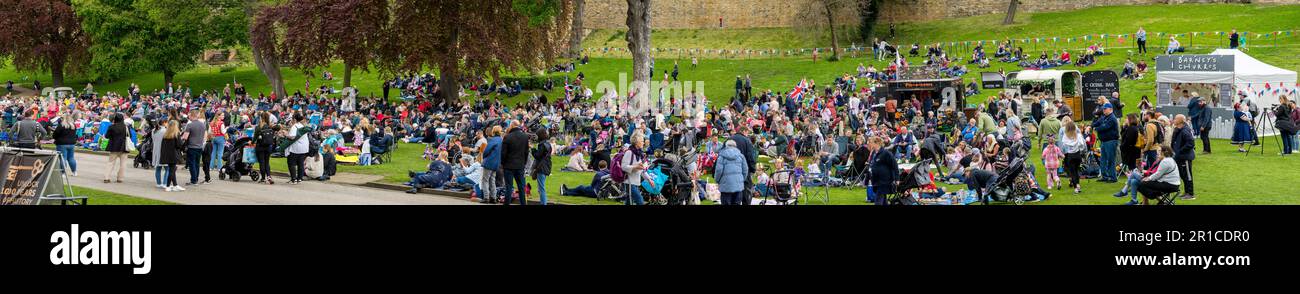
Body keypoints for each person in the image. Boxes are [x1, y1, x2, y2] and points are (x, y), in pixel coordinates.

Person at [500, 121, 531, 205]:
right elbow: (526, 152)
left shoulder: (507, 137)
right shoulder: (525, 137)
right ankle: (523, 203)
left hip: (509, 165)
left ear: (512, 125)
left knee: (509, 187)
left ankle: (506, 203)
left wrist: (503, 163)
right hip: (520, 165)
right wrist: (523, 163)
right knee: (521, 187)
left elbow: (503, 153)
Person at [1090, 102, 1119, 182]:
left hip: (1111, 141)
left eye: (1105, 109)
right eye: (1103, 109)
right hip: (1104, 141)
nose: (1104, 110)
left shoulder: (1112, 118)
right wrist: (1091, 126)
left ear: (1111, 109)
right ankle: (1104, 176)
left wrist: (1096, 129)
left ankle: (1113, 177)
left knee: (1110, 160)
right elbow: (1097, 123)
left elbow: (1105, 127)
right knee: (1103, 159)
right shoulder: (1104, 117)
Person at [865, 136, 898, 205]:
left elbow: (894, 165)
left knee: (878, 200)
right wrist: (867, 180)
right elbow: (871, 166)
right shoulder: (873, 153)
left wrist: (897, 179)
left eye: (870, 142)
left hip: (884, 181)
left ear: (877, 143)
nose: (869, 144)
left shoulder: (886, 153)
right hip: (876, 180)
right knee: (883, 201)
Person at [1171, 115, 1197, 200]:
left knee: (1187, 175)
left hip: (1185, 157)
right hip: (1180, 157)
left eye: (1175, 119)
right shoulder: (1179, 129)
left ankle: (1190, 194)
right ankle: (1186, 192)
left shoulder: (1185, 130)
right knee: (1183, 175)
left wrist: (1180, 151)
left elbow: (1191, 143)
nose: (1174, 120)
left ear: (1180, 120)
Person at [714, 140, 747, 205]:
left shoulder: (721, 157)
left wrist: (717, 180)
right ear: (735, 146)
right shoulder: (741, 156)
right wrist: (742, 179)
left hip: (725, 184)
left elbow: (718, 170)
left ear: (726, 146)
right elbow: (745, 170)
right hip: (738, 184)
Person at [621, 133, 650, 205]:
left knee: (628, 202)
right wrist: (635, 167)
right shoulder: (629, 152)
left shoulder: (639, 154)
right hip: (629, 183)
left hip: (635, 183)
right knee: (640, 202)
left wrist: (649, 180)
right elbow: (623, 167)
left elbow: (642, 170)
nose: (643, 143)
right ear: (636, 142)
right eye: (642, 141)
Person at [1059, 117, 1087, 194]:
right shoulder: (1078, 135)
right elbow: (1082, 144)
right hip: (1078, 155)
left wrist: (1065, 151)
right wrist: (1080, 149)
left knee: (1072, 172)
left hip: (1070, 155)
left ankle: (1076, 187)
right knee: (1077, 170)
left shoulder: (1065, 136)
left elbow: (1063, 145)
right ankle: (1078, 184)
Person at [478, 126, 503, 203]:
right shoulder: (501, 140)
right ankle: (493, 198)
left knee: (485, 180)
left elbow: (486, 151)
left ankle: (486, 198)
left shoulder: (493, 140)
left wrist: (484, 157)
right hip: (496, 163)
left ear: (493, 131)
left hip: (489, 162)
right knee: (492, 180)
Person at [182, 110, 208, 185]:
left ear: (192, 115)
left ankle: (193, 180)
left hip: (192, 146)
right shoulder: (203, 125)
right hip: (199, 146)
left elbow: (185, 137)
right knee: (196, 163)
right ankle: (195, 178)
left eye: (189, 115)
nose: (188, 117)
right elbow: (205, 136)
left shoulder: (190, 125)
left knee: (191, 164)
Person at [102, 113, 129, 183]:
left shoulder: (111, 127)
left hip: (113, 147)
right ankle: (120, 178)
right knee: (123, 164)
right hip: (123, 147)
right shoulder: (126, 127)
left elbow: (107, 136)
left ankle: (106, 177)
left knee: (110, 163)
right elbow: (130, 136)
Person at [285, 113, 311, 184]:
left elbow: (292, 137)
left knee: (291, 163)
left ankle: (294, 179)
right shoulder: (302, 125)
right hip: (304, 147)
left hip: (296, 148)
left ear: (295, 119)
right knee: (300, 163)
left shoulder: (295, 126)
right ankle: (300, 178)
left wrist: (286, 135)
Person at [159, 120, 185, 192]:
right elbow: (179, 145)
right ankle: (168, 186)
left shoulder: (165, 134)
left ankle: (175, 185)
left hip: (167, 155)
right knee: (172, 170)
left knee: (172, 170)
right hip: (173, 155)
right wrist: (183, 141)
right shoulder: (176, 134)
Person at [531, 128, 553, 205]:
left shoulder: (542, 145)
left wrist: (533, 149)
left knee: (541, 188)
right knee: (541, 188)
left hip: (541, 168)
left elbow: (537, 156)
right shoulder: (548, 144)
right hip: (546, 166)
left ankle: (543, 203)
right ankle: (543, 202)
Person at [253, 112, 276, 185]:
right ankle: (269, 176)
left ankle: (263, 178)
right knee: (267, 162)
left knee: (262, 162)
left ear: (261, 118)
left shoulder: (258, 127)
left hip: (260, 146)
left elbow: (255, 137)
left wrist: (252, 142)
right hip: (268, 146)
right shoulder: (270, 126)